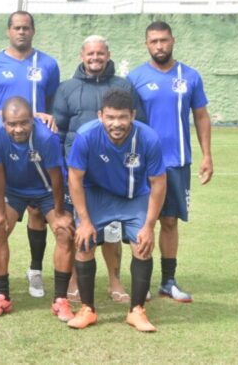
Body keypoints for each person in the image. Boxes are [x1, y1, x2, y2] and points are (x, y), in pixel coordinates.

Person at [52, 35, 144, 303]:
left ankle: (114, 281)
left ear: (108, 55)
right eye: (90, 54)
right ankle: (74, 279)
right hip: (78, 172)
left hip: (113, 173)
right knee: (77, 227)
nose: (95, 59)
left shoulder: (123, 86)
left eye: (100, 54)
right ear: (82, 55)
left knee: (113, 231)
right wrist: (60, 166)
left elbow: (137, 127)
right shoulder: (67, 88)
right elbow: (57, 130)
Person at [66, 88, 166, 332]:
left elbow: (158, 183)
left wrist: (150, 226)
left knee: (142, 244)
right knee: (84, 241)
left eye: (122, 117)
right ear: (101, 115)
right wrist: (85, 221)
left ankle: (136, 310)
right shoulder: (87, 135)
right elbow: (75, 178)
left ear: (132, 115)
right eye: (110, 117)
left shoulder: (148, 138)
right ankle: (88, 309)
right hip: (97, 194)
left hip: (133, 197)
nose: (116, 123)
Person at [127, 21, 213, 302]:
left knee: (170, 221)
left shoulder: (190, 76)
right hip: (141, 163)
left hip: (176, 162)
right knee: (141, 221)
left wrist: (207, 155)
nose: (159, 46)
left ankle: (168, 281)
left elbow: (200, 115)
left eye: (163, 40)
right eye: (153, 41)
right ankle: (142, 282)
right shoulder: (135, 77)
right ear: (146, 44)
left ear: (173, 41)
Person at [0, 11, 60, 299]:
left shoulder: (48, 64)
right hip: (4, 149)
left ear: (33, 31)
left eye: (26, 28)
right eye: (16, 28)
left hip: (37, 148)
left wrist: (44, 120)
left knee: (38, 212)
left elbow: (51, 103)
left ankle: (34, 271)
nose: (21, 32)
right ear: (8, 31)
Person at [0, 97, 75, 321]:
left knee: (65, 232)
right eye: (12, 124)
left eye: (24, 123)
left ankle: (61, 300)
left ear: (32, 119)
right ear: (3, 122)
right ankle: (2, 296)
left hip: (45, 190)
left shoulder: (47, 137)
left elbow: (56, 177)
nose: (18, 129)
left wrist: (60, 213)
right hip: (13, 190)